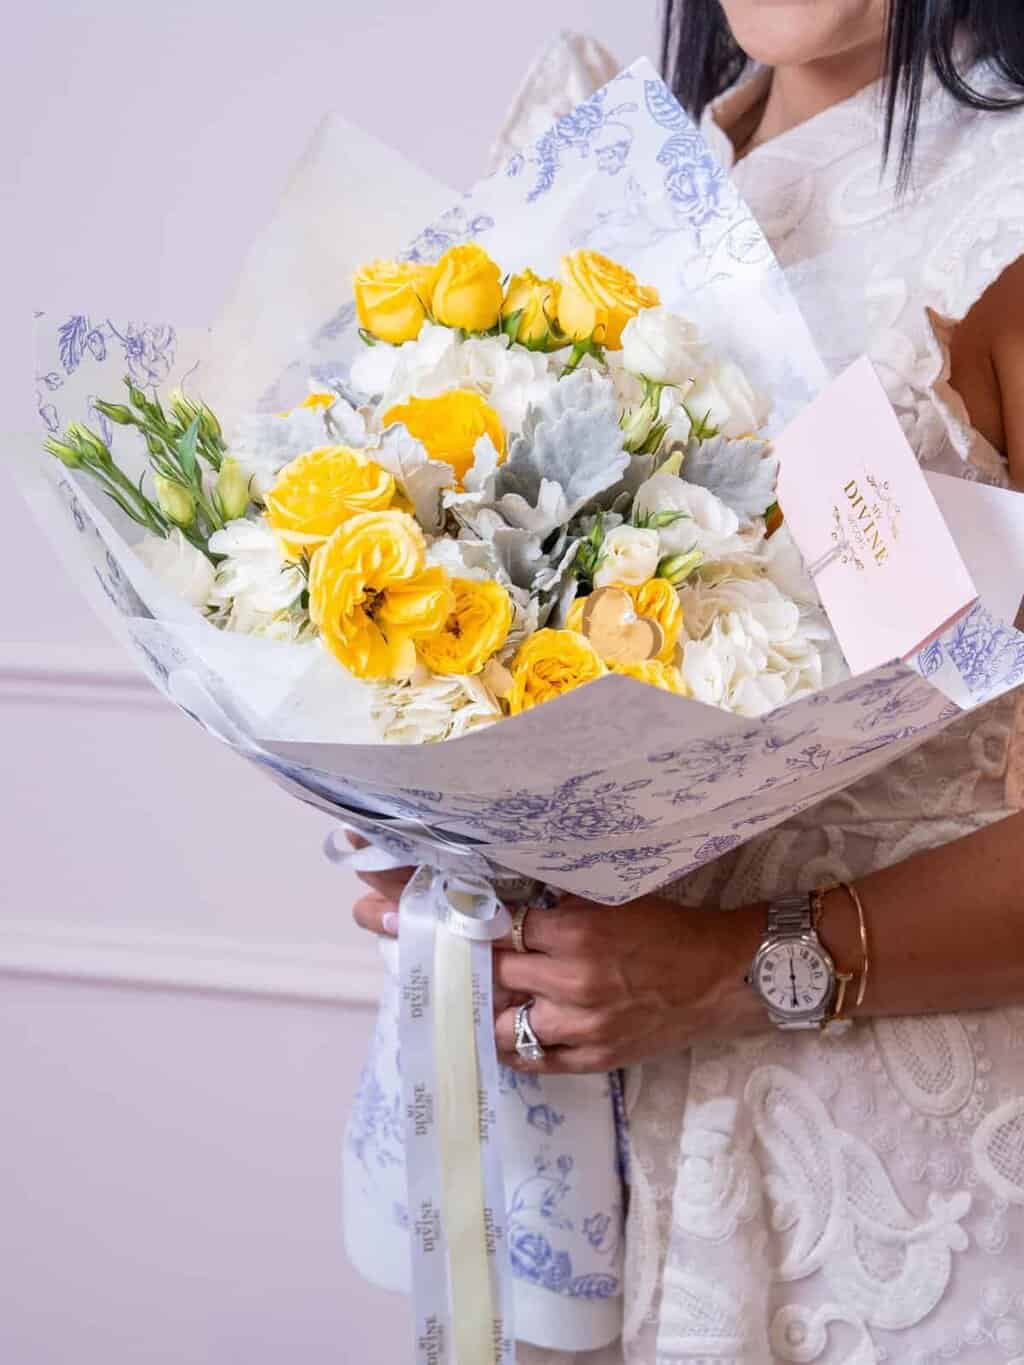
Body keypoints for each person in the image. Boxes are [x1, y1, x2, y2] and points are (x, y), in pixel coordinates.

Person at [352, 6, 1024, 1360]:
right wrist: (440, 838)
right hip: (579, 1151)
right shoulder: (598, 164)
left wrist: (734, 970)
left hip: (891, 1182)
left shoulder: (998, 214)